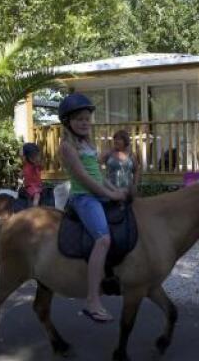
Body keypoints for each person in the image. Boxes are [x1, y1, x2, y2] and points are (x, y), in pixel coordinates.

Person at [58, 93, 126, 323]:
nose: (84, 122)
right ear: (68, 122)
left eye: (87, 118)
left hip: (98, 193)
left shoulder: (88, 143)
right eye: (79, 119)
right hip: (84, 198)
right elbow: (85, 178)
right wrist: (108, 193)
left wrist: (115, 191)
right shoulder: (67, 146)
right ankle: (92, 300)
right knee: (103, 239)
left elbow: (99, 174)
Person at [100, 129, 140, 196]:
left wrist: (135, 185)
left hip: (127, 189)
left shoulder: (131, 155)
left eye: (119, 139)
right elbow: (97, 164)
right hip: (111, 189)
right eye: (115, 139)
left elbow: (136, 170)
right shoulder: (109, 153)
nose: (116, 141)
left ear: (125, 141)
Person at [21, 142, 43, 207]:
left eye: (36, 156)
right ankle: (34, 208)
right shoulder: (29, 165)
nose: (35, 158)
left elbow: (41, 167)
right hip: (31, 186)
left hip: (38, 185)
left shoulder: (35, 165)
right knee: (37, 195)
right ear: (28, 157)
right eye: (33, 156)